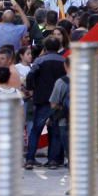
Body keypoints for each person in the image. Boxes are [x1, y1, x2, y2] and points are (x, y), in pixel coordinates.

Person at [25, 36, 67, 169]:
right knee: (55, 130)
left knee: (36, 129)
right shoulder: (63, 61)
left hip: (41, 98)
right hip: (58, 100)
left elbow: (30, 76)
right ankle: (53, 160)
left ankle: (30, 159)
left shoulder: (40, 60)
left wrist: (31, 89)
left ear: (45, 47)